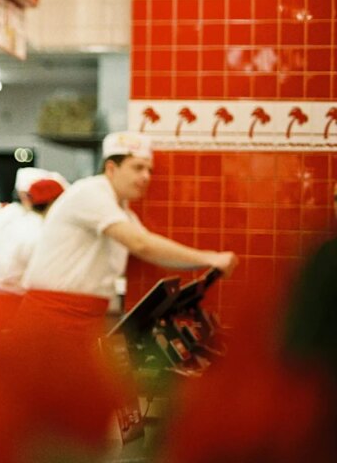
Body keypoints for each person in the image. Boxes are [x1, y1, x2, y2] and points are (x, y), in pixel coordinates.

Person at [16, 132, 238, 348]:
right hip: (51, 316)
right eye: (138, 167)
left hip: (83, 318)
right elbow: (141, 245)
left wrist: (206, 264)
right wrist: (210, 258)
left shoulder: (121, 210)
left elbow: (151, 247)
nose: (146, 177)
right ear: (111, 168)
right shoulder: (90, 193)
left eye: (149, 170)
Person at [0, 177, 66, 327]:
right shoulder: (38, 233)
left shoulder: (18, 222)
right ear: (54, 203)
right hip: (9, 306)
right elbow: (40, 282)